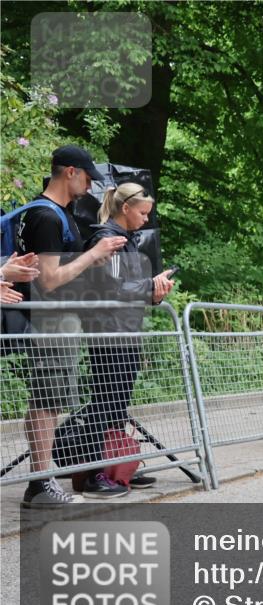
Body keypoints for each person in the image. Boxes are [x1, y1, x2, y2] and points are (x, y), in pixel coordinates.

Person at [15, 145, 127, 508]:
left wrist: (91, 262)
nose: (90, 185)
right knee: (47, 401)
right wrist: (93, 254)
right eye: (88, 177)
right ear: (70, 172)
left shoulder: (51, 212)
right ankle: (39, 483)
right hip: (51, 318)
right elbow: (48, 280)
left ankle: (42, 479)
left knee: (48, 400)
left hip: (55, 318)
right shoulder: (47, 217)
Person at [69, 183, 175, 497]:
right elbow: (112, 288)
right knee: (105, 403)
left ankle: (118, 466)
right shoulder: (108, 239)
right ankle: (94, 474)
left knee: (117, 405)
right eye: (142, 212)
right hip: (109, 334)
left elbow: (128, 288)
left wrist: (153, 292)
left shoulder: (125, 240)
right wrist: (148, 286)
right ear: (125, 208)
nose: (146, 219)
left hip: (125, 331)